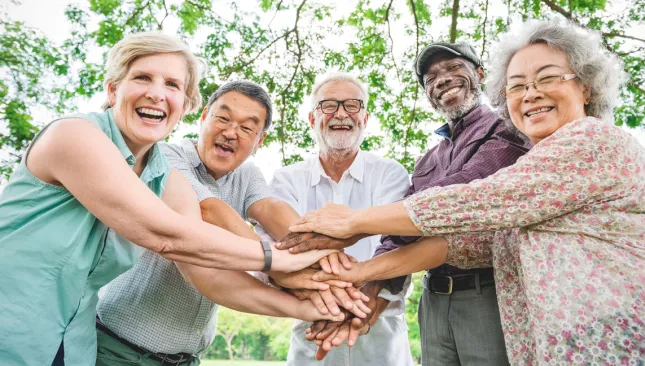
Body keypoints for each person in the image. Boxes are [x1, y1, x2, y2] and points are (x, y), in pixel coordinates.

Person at [289, 19, 645, 364]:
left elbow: (475, 201)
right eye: (518, 86)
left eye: (548, 78)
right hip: (520, 327)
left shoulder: (588, 140)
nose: (532, 94)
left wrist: (353, 223)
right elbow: (466, 243)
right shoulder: (433, 158)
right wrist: (360, 278)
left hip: (601, 335)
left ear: (585, 86)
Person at [0, 32, 334, 366]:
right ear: (113, 89)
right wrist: (275, 259)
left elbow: (201, 263)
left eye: (172, 85)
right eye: (142, 77)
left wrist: (313, 304)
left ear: (185, 106)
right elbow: (168, 235)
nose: (157, 94)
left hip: (73, 346)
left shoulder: (162, 176)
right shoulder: (73, 135)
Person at [95, 80, 351, 366]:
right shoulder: (164, 157)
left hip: (186, 359)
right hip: (117, 350)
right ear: (204, 117)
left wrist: (327, 264)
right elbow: (208, 211)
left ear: (259, 140)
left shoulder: (247, 175)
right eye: (223, 118)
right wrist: (281, 269)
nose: (231, 132)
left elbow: (270, 209)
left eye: (246, 128)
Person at [262, 72, 413, 366]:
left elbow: (397, 240)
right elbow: (284, 246)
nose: (341, 113)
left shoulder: (390, 172)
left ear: (365, 119)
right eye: (328, 105)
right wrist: (340, 302)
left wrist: (370, 299)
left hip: (382, 328)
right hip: (313, 326)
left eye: (352, 105)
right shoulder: (286, 179)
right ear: (311, 119)